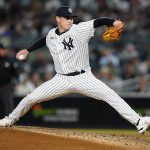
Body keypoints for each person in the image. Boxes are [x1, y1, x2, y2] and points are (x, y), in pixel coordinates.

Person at [0, 6, 150, 134]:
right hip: (61, 79)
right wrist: (27, 50)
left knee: (110, 95)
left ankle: (139, 121)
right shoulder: (52, 34)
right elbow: (44, 39)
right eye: (66, 17)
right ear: (58, 19)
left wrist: (114, 22)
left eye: (71, 17)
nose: (70, 20)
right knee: (31, 98)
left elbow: (99, 21)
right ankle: (9, 119)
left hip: (84, 77)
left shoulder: (79, 30)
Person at [0, 43, 18, 116]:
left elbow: (14, 74)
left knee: (8, 104)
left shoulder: (9, 60)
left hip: (6, 86)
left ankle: (10, 121)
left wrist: (14, 83)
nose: (4, 51)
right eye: (2, 49)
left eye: (5, 49)